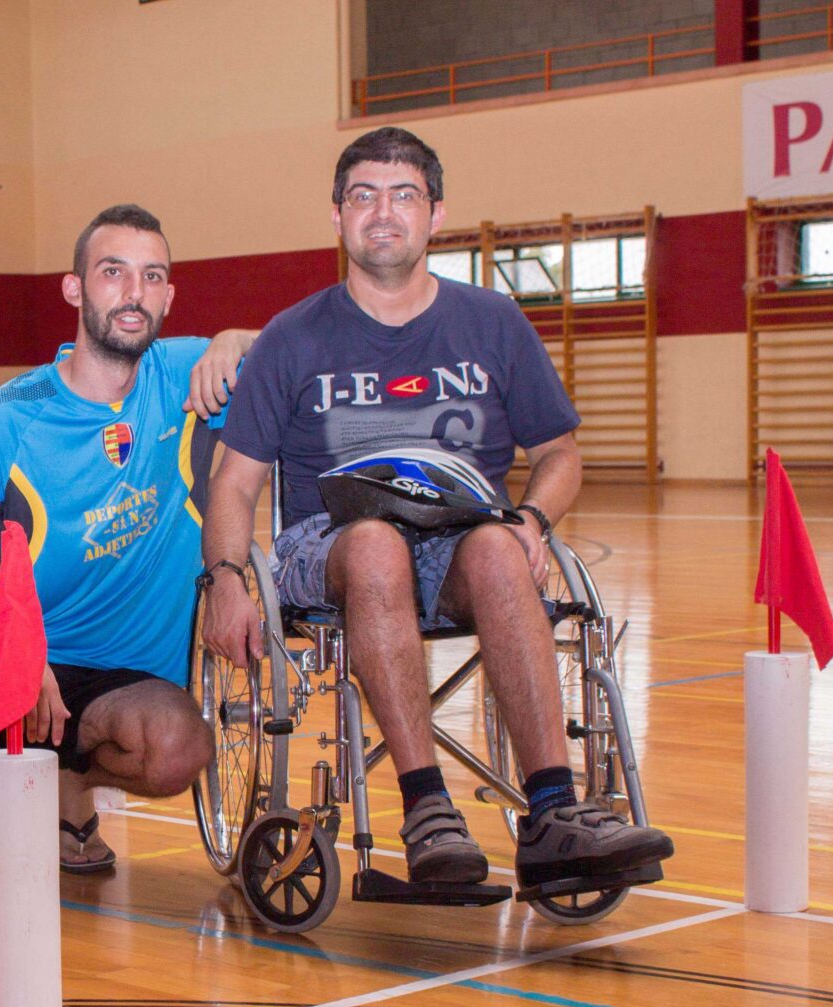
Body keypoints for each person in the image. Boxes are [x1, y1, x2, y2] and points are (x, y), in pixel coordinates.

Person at [201, 127, 673, 893]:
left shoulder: (493, 323)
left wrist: (532, 521)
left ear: (436, 214)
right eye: (364, 196)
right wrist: (226, 578)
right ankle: (426, 808)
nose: (383, 212)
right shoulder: (292, 338)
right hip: (332, 545)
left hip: (459, 537)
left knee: (497, 547)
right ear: (337, 215)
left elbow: (560, 453)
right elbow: (232, 484)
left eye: (403, 195)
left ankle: (553, 811)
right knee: (375, 545)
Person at [0, 203, 256, 892]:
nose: (133, 293)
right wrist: (20, 653)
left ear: (169, 296)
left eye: (152, 276)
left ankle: (64, 793)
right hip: (16, 663)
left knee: (180, 749)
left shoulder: (185, 375)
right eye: (113, 273)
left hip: (130, 681)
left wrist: (235, 338)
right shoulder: (7, 417)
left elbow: (303, 348)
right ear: (75, 289)